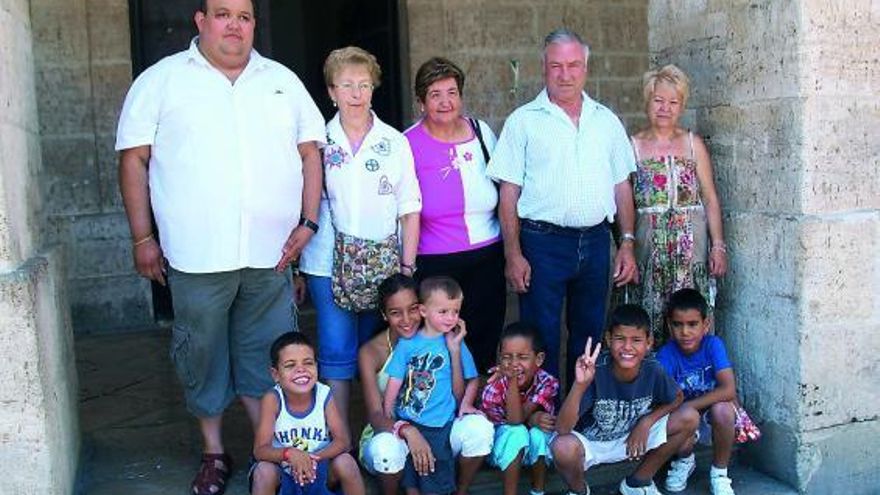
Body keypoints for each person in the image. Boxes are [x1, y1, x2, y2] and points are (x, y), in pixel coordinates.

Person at [115, 1, 324, 493]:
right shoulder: (161, 80)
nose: (235, 25)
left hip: (271, 254)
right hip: (195, 254)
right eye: (223, 14)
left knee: (267, 354)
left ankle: (265, 451)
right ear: (201, 21)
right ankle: (213, 451)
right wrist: (142, 237)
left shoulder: (281, 80)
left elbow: (311, 153)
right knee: (202, 353)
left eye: (245, 16)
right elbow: (134, 161)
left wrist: (309, 222)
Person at [486, 28, 638, 383]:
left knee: (589, 334)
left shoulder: (606, 120)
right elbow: (508, 194)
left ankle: (581, 417)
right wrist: (512, 253)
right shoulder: (523, 121)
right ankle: (545, 418)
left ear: (585, 67)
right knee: (541, 336)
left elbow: (621, 187)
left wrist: (627, 242)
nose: (565, 74)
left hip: (597, 240)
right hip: (542, 243)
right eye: (556, 66)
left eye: (573, 65)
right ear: (544, 68)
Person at [299, 46, 422, 425]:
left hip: (384, 264)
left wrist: (407, 265)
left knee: (379, 347)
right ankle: (340, 443)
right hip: (325, 262)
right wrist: (295, 268)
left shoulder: (393, 141)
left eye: (364, 85)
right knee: (336, 350)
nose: (356, 93)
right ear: (331, 92)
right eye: (347, 85)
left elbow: (409, 206)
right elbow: (299, 204)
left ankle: (382, 430)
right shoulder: (316, 142)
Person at [404, 57, 506, 374]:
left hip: (487, 256)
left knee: (485, 338)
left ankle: (479, 412)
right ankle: (443, 413)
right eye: (435, 94)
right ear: (421, 102)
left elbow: (505, 188)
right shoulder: (406, 143)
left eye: (452, 92)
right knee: (439, 343)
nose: (446, 102)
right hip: (436, 261)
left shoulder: (481, 132)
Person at [358, 274, 493, 495]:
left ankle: (460, 491)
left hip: (438, 425)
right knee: (387, 449)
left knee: (480, 429)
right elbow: (376, 413)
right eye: (395, 312)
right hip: (390, 432)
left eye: (412, 309)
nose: (406, 319)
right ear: (384, 315)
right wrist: (407, 430)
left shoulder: (446, 339)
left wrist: (455, 351)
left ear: (422, 308)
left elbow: (458, 397)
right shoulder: (370, 352)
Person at [551, 305, 699, 495]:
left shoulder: (652, 368)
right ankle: (579, 491)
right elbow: (562, 429)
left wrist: (647, 422)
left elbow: (677, 397)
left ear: (649, 343)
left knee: (689, 417)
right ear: (608, 339)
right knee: (562, 447)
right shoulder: (595, 370)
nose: (627, 347)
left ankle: (638, 482)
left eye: (636, 340)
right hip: (593, 442)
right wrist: (579, 385)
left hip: (631, 438)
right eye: (620, 339)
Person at [627, 64, 728, 343]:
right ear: (648, 101)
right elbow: (623, 202)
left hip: (690, 248)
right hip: (650, 248)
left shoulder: (693, 143)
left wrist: (718, 245)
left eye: (673, 102)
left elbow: (709, 197)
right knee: (650, 314)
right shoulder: (632, 146)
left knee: (690, 313)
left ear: (682, 106)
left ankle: (694, 380)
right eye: (658, 100)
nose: (665, 108)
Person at [251, 332, 365, 495]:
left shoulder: (324, 394)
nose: (301, 370)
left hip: (320, 471)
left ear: (317, 367)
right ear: (275, 374)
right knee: (263, 471)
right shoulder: (273, 399)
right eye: (290, 365)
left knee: (346, 462)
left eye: (308, 363)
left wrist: (311, 459)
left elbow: (343, 441)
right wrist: (290, 454)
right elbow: (260, 450)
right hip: (285, 474)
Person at [656, 289, 737, 495]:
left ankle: (719, 473)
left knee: (723, 410)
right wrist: (685, 410)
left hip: (711, 414)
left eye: (692, 324)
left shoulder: (713, 345)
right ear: (669, 325)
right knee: (682, 417)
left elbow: (728, 389)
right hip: (685, 417)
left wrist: (688, 406)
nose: (685, 332)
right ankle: (685, 460)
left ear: (705, 325)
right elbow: (663, 399)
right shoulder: (666, 354)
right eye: (678, 324)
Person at [480, 323, 560, 495]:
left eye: (522, 357)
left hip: (533, 448)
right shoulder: (493, 388)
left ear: (538, 359)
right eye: (507, 357)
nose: (514, 364)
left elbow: (528, 415)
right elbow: (514, 421)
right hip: (501, 450)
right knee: (517, 433)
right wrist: (513, 382)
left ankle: (538, 491)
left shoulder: (547, 381)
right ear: (500, 359)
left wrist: (532, 419)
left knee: (538, 434)